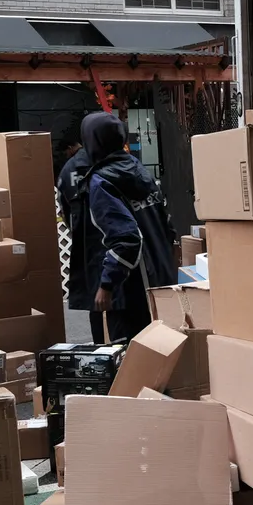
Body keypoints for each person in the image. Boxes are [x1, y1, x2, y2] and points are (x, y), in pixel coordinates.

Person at [65, 112, 176, 343]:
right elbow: (167, 225)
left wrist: (106, 284)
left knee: (124, 361)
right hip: (158, 279)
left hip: (125, 291)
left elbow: (127, 239)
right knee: (157, 351)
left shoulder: (101, 181)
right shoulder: (137, 168)